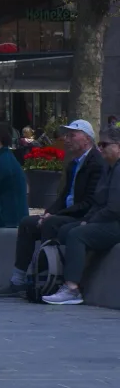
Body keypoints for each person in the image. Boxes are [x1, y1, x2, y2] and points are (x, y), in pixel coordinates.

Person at [0, 119, 99, 298]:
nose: (67, 139)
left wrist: (54, 215)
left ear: (87, 139)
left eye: (72, 135)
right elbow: (64, 197)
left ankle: (46, 282)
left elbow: (89, 202)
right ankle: (18, 280)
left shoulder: (96, 163)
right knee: (28, 223)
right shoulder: (74, 163)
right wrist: (49, 211)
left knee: (51, 224)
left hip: (82, 215)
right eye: (66, 135)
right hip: (67, 212)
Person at [40, 131, 120, 306]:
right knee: (66, 230)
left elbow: (114, 208)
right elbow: (98, 203)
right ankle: (54, 279)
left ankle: (72, 288)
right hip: (107, 219)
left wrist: (90, 222)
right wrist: (88, 219)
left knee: (77, 234)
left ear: (118, 147)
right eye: (99, 144)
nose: (100, 148)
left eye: (105, 145)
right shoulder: (109, 167)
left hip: (115, 223)